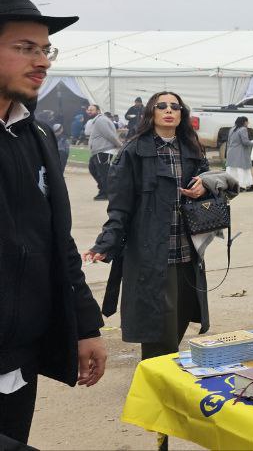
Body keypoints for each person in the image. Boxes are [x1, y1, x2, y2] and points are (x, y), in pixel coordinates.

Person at [0, 0, 107, 447]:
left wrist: (85, 324)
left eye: (46, 50)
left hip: (18, 359)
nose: (43, 61)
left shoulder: (36, 135)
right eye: (26, 48)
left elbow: (56, 238)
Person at [86, 91, 213, 362]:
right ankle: (156, 375)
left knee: (179, 319)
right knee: (158, 327)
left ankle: (162, 370)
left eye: (175, 106)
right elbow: (120, 206)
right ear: (151, 113)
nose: (169, 110)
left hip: (186, 252)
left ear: (182, 113)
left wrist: (206, 184)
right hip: (151, 254)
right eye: (161, 106)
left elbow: (215, 184)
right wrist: (106, 242)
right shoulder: (134, 151)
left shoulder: (191, 149)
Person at [85, 103, 122, 200]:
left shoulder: (100, 120)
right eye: (88, 110)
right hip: (99, 151)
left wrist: (120, 145)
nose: (89, 111)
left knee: (103, 173)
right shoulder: (97, 120)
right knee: (93, 169)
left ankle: (106, 193)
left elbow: (109, 134)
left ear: (98, 111)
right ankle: (104, 189)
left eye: (91, 110)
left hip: (103, 150)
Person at [225, 116, 253, 192]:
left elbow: (229, 141)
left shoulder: (232, 129)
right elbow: (245, 142)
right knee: (243, 169)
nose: (248, 123)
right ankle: (243, 186)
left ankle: (232, 186)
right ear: (244, 122)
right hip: (240, 153)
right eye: (247, 121)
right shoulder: (243, 129)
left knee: (232, 170)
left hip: (231, 152)